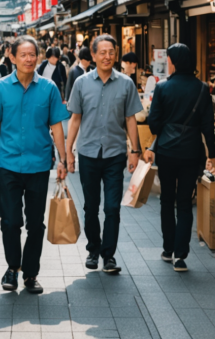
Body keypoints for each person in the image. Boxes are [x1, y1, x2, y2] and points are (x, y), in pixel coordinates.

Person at [0, 37, 68, 294]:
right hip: (7, 164)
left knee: (35, 224)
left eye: (33, 54)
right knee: (9, 222)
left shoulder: (49, 88)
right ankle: (12, 267)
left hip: (39, 165)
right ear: (13, 57)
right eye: (24, 54)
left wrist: (63, 159)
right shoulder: (0, 87)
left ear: (38, 57)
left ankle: (30, 274)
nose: (29, 59)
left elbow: (57, 128)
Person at [65, 34, 143, 275]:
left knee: (112, 207)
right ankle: (93, 249)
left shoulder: (126, 84)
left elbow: (131, 119)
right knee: (90, 206)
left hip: (115, 153)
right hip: (88, 152)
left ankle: (108, 255)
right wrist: (68, 151)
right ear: (94, 54)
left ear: (115, 54)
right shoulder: (81, 83)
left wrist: (135, 150)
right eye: (102, 52)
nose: (107, 56)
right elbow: (75, 118)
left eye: (111, 52)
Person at [144, 44, 215, 273]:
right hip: (191, 153)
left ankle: (167, 248)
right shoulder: (202, 88)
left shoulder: (163, 88)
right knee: (184, 203)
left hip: (166, 151)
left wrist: (167, 123)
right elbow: (208, 124)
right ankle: (180, 255)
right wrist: (212, 154)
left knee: (167, 200)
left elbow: (153, 123)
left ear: (173, 62)